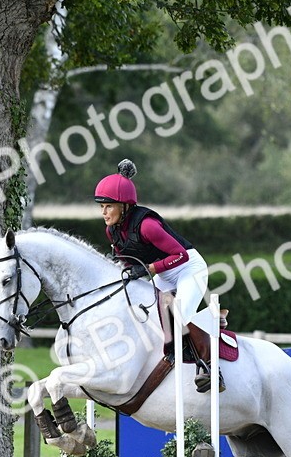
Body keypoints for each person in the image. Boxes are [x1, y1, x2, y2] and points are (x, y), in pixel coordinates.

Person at [94, 158, 223, 393]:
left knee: (179, 314)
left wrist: (149, 269)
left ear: (124, 206)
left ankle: (210, 368)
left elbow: (180, 255)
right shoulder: (112, 231)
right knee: (148, 314)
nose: (104, 212)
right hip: (162, 272)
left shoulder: (147, 226)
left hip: (188, 268)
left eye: (109, 206)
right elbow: (127, 264)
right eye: (101, 206)